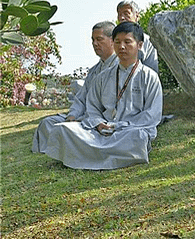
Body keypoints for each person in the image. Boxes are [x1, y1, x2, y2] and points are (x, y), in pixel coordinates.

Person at [38, 22, 163, 169]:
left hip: (128, 131)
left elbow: (151, 115)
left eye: (127, 42)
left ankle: (86, 155)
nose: (122, 47)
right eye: (117, 42)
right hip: (100, 131)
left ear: (139, 45)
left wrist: (118, 126)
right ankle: (106, 155)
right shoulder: (102, 77)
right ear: (113, 43)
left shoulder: (149, 77)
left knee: (138, 137)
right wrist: (98, 123)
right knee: (62, 129)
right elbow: (92, 108)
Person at [32, 21, 119, 153]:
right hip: (83, 117)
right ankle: (54, 148)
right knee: (48, 123)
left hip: (100, 120)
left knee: (69, 130)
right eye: (93, 40)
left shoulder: (120, 68)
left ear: (112, 41)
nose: (95, 44)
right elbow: (81, 98)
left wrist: (90, 120)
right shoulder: (94, 71)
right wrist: (72, 116)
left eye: (99, 39)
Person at [117, 0, 159, 74]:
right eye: (119, 14)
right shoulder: (112, 40)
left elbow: (152, 70)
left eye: (126, 14)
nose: (122, 18)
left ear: (136, 16)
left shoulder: (147, 41)